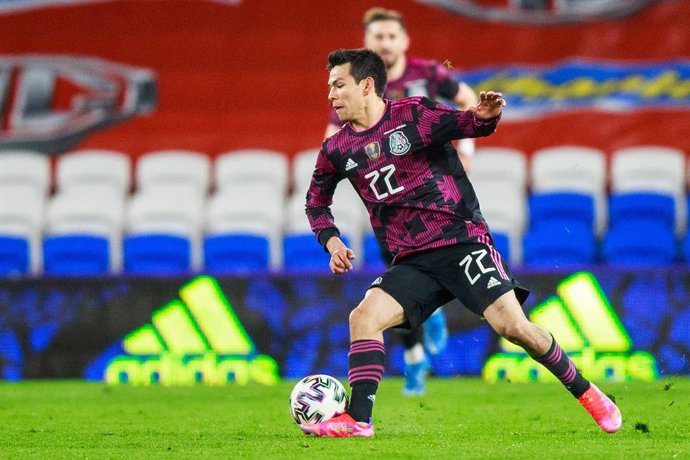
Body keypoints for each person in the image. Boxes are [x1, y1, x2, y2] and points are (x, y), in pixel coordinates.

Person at [301, 48, 622, 438]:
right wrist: (332, 241)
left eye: (339, 85)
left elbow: (468, 123)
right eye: (329, 87)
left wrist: (485, 116)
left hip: (462, 242)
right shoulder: (337, 149)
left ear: (367, 85)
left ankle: (588, 393)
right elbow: (316, 200)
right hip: (413, 260)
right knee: (363, 318)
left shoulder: (414, 114)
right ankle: (359, 420)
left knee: (515, 328)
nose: (331, 95)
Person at [324, 7, 480, 396]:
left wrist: (467, 151)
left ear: (404, 42)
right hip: (390, 204)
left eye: (392, 36)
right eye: (378, 37)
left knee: (432, 262)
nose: (386, 44)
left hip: (434, 193)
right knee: (398, 280)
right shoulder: (354, 87)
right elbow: (331, 138)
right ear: (368, 43)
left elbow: (467, 99)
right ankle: (414, 354)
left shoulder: (427, 74)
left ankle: (431, 322)